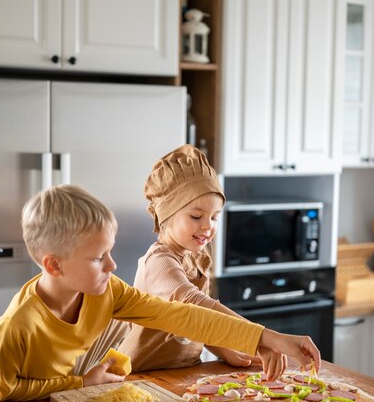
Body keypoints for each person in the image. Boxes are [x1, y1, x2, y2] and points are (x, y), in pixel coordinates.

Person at [0, 184, 318, 402]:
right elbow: (0, 392)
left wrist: (266, 338)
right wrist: (80, 383)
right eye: (99, 258)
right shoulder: (16, 326)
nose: (113, 266)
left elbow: (182, 315)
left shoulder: (107, 291)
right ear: (54, 266)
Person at [117, 145, 321, 376]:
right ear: (168, 215)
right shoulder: (159, 262)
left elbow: (200, 322)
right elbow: (192, 305)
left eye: (214, 217)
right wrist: (264, 339)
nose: (208, 226)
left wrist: (224, 350)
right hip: (142, 378)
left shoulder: (196, 259)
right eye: (196, 216)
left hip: (184, 372)